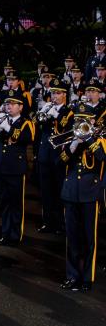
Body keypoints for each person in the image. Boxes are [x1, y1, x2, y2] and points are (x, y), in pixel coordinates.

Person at [59, 102, 104, 292]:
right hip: (71, 193)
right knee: (72, 237)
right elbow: (59, 161)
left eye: (85, 120)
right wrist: (74, 144)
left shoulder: (100, 140)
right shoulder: (70, 140)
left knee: (88, 238)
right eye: (78, 119)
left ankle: (87, 277)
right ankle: (72, 275)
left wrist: (89, 140)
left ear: (93, 121)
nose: (80, 123)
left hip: (89, 194)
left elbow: (102, 157)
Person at [0, 90, 34, 246]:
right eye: (7, 103)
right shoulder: (2, 118)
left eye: (13, 104)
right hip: (2, 167)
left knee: (16, 203)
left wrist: (6, 127)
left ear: (20, 107)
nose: (9, 106)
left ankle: (15, 235)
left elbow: (25, 138)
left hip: (15, 168)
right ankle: (5, 232)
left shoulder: (25, 122)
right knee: (4, 202)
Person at [36, 79, 71, 234]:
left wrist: (55, 114)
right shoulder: (47, 107)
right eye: (53, 93)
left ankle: (61, 224)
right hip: (44, 154)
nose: (54, 96)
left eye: (57, 93)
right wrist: (43, 113)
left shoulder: (68, 111)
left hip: (58, 156)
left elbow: (65, 130)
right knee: (46, 191)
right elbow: (38, 125)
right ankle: (48, 222)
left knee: (59, 191)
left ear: (64, 95)